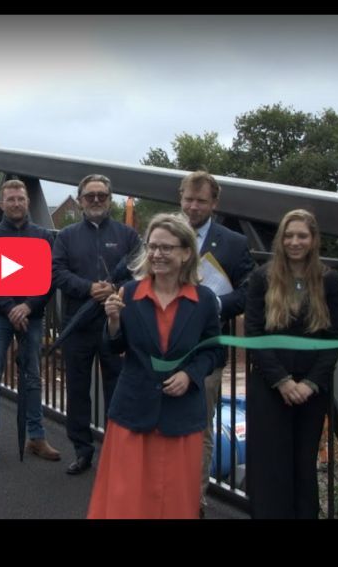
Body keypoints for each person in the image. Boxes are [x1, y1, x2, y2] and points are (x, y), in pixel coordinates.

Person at [88, 213, 224, 518]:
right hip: (133, 412)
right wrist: (112, 322)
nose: (157, 254)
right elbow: (114, 348)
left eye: (167, 248)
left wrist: (190, 376)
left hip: (181, 417)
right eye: (152, 247)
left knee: (173, 499)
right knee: (126, 499)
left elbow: (214, 353)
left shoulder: (204, 300)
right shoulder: (130, 293)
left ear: (186, 252)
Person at [244, 209, 338, 519]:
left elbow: (336, 336)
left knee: (304, 465)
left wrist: (310, 383)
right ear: (280, 239)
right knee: (271, 465)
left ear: (313, 239)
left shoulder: (327, 280)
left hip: (311, 391)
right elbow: (254, 333)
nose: (295, 241)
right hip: (270, 386)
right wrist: (284, 382)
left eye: (302, 235)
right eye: (289, 235)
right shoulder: (262, 277)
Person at [178, 170, 255, 515]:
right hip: (161, 348)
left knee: (200, 426)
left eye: (201, 201)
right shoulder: (163, 233)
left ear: (215, 203)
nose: (193, 207)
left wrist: (217, 305)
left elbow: (249, 289)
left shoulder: (233, 243)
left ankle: (193, 500)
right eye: (188, 199)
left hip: (207, 349)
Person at [53, 174, 141, 475]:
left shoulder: (128, 235)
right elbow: (57, 273)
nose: (95, 200)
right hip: (77, 324)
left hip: (115, 323)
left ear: (110, 199)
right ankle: (82, 449)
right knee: (77, 389)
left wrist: (114, 288)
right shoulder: (65, 236)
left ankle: (116, 451)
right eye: (89, 195)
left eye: (101, 195)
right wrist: (88, 288)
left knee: (118, 388)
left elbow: (139, 271)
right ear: (80, 200)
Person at [0, 180, 60, 462]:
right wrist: (12, 307)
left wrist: (27, 306)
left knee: (33, 377)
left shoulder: (43, 237)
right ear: (2, 204)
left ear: (27, 202)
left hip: (32, 316)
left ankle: (36, 437)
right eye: (10, 199)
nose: (16, 204)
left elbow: (49, 279)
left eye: (20, 199)